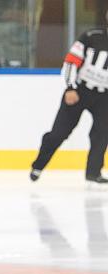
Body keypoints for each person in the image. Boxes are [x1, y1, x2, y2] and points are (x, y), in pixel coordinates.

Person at [30, 9, 108, 185]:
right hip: (80, 91)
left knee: (102, 133)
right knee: (59, 133)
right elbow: (71, 62)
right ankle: (38, 165)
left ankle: (93, 173)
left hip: (105, 95)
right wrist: (71, 88)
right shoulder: (91, 36)